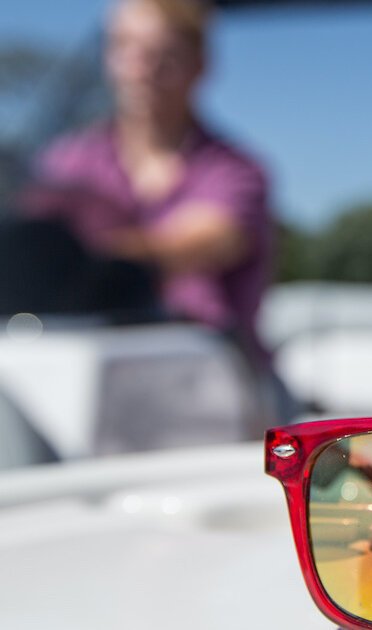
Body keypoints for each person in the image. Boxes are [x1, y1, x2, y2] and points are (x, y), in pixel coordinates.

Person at [27, 0, 287, 424]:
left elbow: (199, 243)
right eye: (125, 48)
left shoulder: (236, 171)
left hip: (216, 382)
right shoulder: (68, 161)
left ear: (200, 65)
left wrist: (80, 255)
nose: (141, 67)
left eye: (162, 53)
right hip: (89, 376)